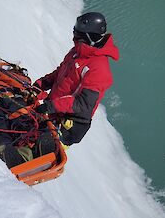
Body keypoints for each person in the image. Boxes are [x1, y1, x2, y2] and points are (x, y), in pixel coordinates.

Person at [34, 12, 119, 146]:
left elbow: (83, 104)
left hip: (69, 124)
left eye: (78, 34)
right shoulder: (77, 52)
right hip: (53, 111)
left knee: (40, 147)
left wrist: (51, 106)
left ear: (88, 37)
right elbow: (60, 73)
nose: (74, 37)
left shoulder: (99, 69)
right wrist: (41, 84)